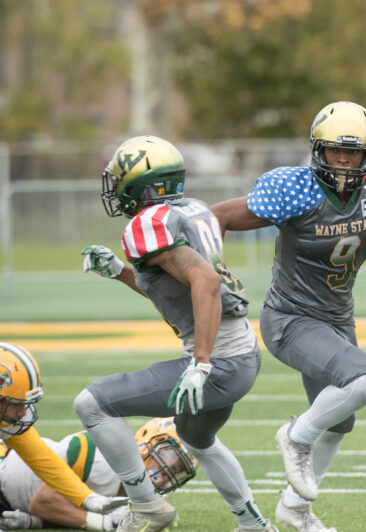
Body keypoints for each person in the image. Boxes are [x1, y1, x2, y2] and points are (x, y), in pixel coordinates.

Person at [211, 101, 366, 532]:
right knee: (365, 379)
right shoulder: (298, 189)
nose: (345, 160)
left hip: (337, 317)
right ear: (319, 150)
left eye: (353, 152)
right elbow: (218, 216)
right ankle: (295, 437)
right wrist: (216, 274)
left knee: (340, 420)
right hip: (290, 318)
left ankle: (295, 509)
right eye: (336, 150)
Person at [75, 135, 278, 532]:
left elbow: (204, 280)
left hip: (218, 360)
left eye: (121, 180)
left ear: (142, 185)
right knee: (198, 439)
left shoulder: (148, 224)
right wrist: (119, 271)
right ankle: (253, 524)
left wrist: (201, 362)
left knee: (92, 404)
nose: (117, 189)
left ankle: (146, 507)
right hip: (243, 354)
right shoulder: (192, 209)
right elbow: (175, 286)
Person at [0, 342, 128, 532]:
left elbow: (42, 459)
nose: (22, 412)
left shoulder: (10, 423)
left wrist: (85, 497)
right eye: (17, 403)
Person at [0, 417, 195, 530]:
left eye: (177, 470)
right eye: (167, 457)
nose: (167, 472)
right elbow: (43, 502)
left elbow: (71, 513)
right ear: (145, 442)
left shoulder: (145, 500)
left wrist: (32, 523)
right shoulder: (101, 453)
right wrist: (104, 523)